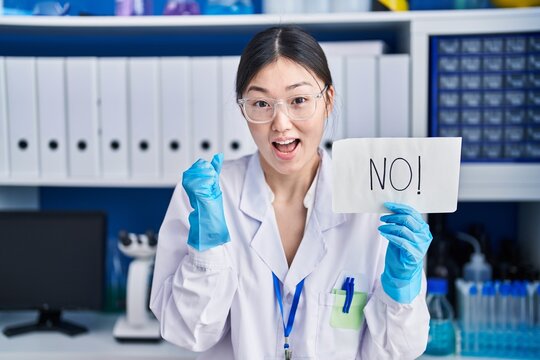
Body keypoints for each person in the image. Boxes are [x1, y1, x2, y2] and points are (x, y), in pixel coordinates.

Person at [150, 25, 433, 359]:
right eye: (260, 103)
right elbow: (186, 332)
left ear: (327, 101)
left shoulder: (374, 200)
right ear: (244, 110)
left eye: (299, 100)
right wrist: (207, 254)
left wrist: (401, 290)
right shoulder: (209, 196)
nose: (281, 123)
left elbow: (394, 353)